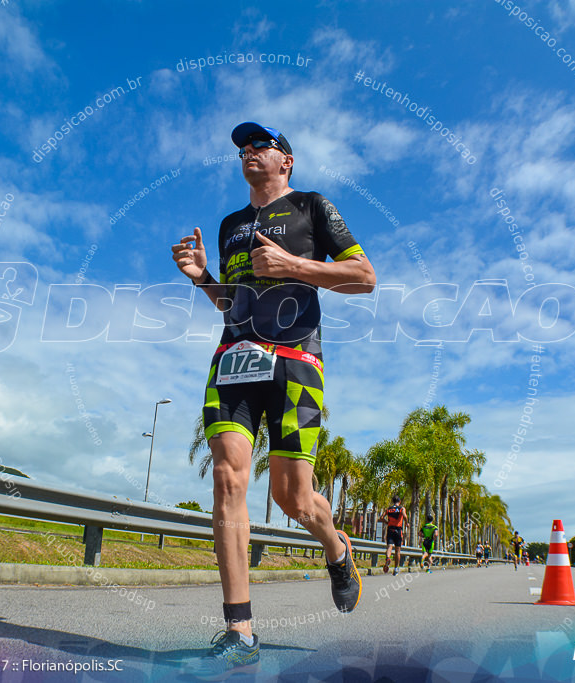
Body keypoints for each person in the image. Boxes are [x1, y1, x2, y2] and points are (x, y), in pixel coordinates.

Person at [171, 121, 376, 679]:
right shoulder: (231, 224)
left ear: (286, 159)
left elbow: (364, 276)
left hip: (297, 361)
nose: (248, 153)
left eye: (260, 146)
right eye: (242, 148)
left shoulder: (312, 207)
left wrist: (294, 267)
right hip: (235, 356)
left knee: (293, 498)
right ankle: (241, 630)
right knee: (227, 478)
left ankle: (336, 548)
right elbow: (230, 303)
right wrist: (201, 277)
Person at [382, 495, 407, 575]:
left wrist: (387, 522)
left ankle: (388, 558)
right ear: (399, 502)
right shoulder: (401, 509)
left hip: (390, 529)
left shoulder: (388, 509)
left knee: (389, 547)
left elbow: (381, 517)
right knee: (397, 551)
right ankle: (396, 568)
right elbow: (404, 515)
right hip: (398, 530)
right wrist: (407, 523)